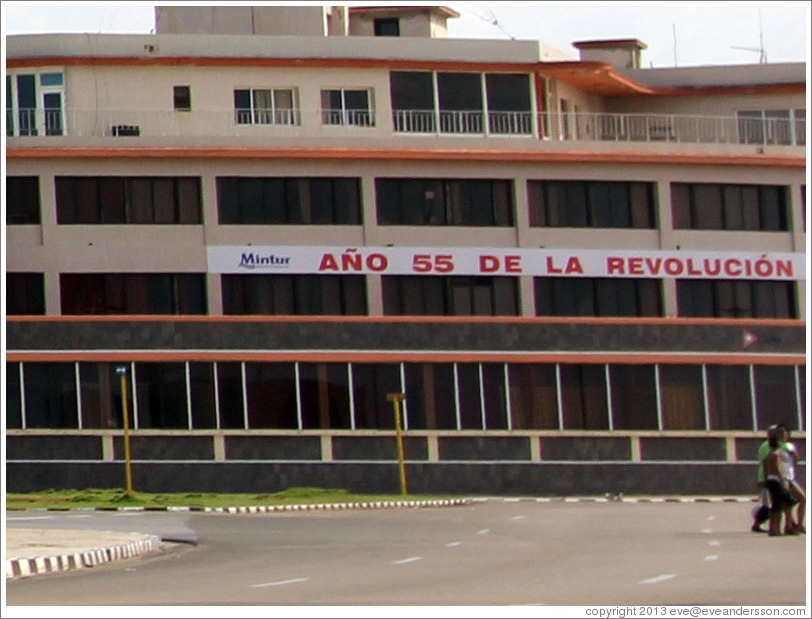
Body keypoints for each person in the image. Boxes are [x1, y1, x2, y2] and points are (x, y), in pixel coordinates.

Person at [763, 432, 798, 536]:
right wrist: (783, 482)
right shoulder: (776, 456)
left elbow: (765, 469)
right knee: (779, 506)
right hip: (776, 481)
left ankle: (772, 528)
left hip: (770, 480)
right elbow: (778, 470)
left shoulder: (768, 456)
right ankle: (776, 529)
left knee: (775, 505)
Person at [777, 425, 805, 534]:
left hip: (790, 476)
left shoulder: (790, 446)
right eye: (781, 433)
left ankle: (799, 525)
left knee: (803, 498)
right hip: (782, 477)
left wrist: (793, 453)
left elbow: (796, 460)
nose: (783, 435)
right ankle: (788, 526)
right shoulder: (775, 446)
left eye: (785, 433)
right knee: (787, 502)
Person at [751, 424, 778, 533]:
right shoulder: (766, 446)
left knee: (774, 502)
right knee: (768, 504)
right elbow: (766, 462)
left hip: (772, 476)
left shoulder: (774, 445)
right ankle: (758, 524)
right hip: (767, 477)